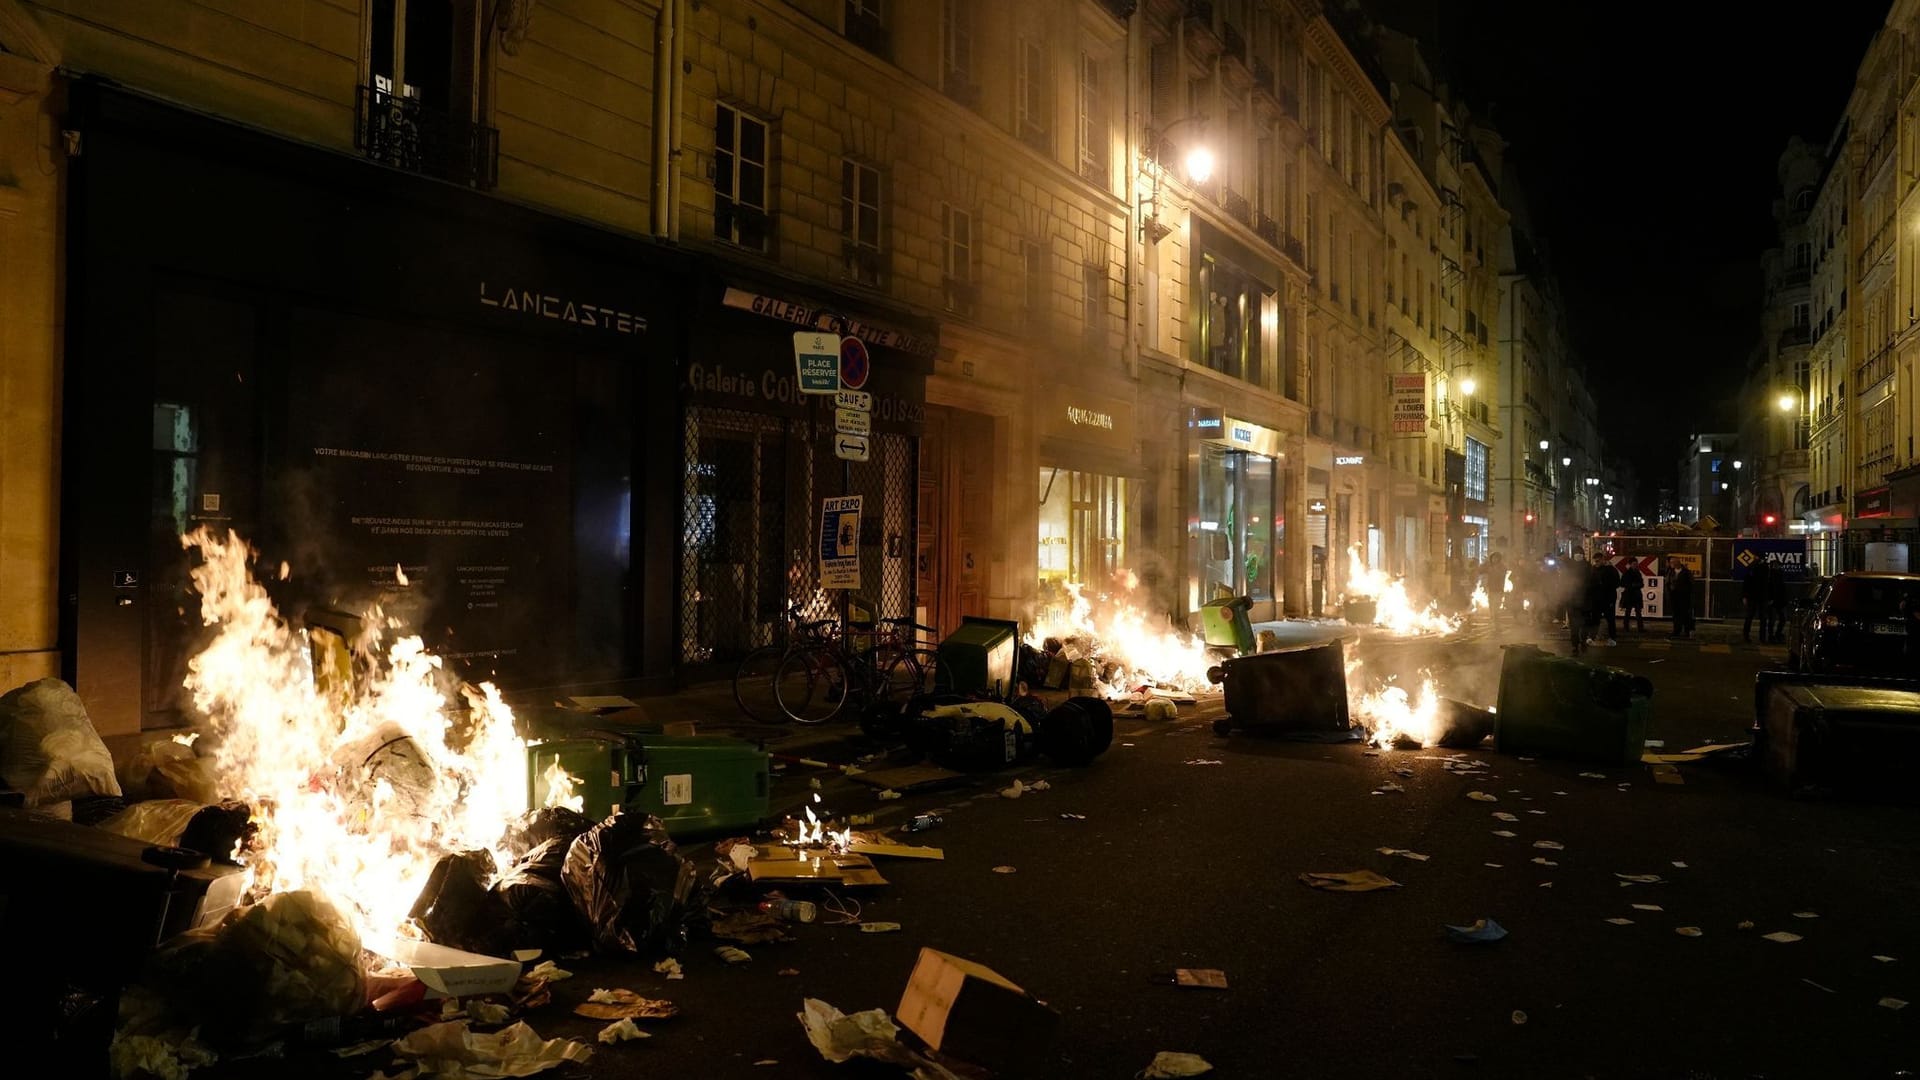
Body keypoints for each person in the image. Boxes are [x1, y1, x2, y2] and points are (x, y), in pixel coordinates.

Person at [1588, 553, 1620, 646]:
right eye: (1595, 561)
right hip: (1596, 599)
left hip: (1608, 598)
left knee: (1610, 619)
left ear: (1602, 560)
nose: (1596, 563)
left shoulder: (1611, 570)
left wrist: (1606, 586)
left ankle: (1612, 638)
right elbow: (1589, 583)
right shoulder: (1593, 570)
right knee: (1595, 619)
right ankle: (1591, 637)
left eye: (1598, 561)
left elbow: (1617, 583)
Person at [1563, 554, 1592, 655]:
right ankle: (1575, 645)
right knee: (1575, 627)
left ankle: (1582, 643)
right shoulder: (1570, 568)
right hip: (1573, 603)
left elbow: (1593, 584)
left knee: (1583, 625)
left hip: (1584, 602)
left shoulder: (1588, 567)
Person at [1668, 560, 1696, 640]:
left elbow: (1691, 584)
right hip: (1674, 596)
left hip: (1684, 597)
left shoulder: (1686, 572)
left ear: (1677, 563)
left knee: (1685, 614)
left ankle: (1687, 631)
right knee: (1676, 615)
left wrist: (1686, 591)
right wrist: (1670, 590)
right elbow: (1668, 582)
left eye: (1672, 562)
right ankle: (1676, 630)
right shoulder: (1671, 572)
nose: (1671, 564)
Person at [1742, 560, 1769, 643]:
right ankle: (1762, 638)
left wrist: (1745, 596)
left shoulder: (1753, 568)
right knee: (1762, 618)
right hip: (1760, 596)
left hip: (1753, 596)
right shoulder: (1764, 568)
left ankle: (1747, 635)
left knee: (1750, 616)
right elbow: (1767, 583)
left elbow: (1746, 582)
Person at [1620, 559, 1646, 634]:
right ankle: (1626, 627)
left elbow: (1641, 583)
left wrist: (1636, 585)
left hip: (1636, 594)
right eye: (1634, 564)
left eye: (1636, 564)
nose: (1635, 565)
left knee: (1638, 612)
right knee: (1628, 612)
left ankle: (1640, 628)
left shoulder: (1637, 572)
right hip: (1630, 594)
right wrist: (1632, 585)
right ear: (1630, 564)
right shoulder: (1627, 573)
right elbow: (1622, 583)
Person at [1767, 561, 1790, 644]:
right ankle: (1774, 635)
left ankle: (1775, 635)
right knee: (1775, 619)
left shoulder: (1778, 574)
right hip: (1776, 600)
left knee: (1779, 619)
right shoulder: (1771, 575)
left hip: (1778, 600)